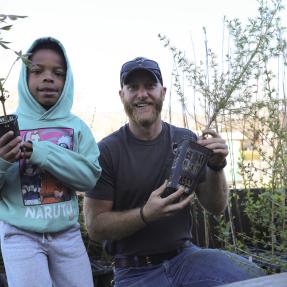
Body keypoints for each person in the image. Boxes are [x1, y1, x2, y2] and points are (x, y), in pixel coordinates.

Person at [84, 57, 265, 287]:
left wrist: (216, 166)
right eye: (133, 87)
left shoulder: (185, 140)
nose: (142, 94)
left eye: (150, 86)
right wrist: (145, 214)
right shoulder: (107, 151)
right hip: (135, 272)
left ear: (163, 92)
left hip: (187, 259)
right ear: (122, 95)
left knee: (256, 277)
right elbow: (95, 227)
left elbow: (216, 207)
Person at [0, 37, 101, 287]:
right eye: (37, 71)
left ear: (67, 81)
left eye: (58, 73)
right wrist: (2, 161)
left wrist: (41, 152)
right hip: (19, 233)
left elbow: (88, 178)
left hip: (67, 234)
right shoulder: (7, 127)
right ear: (25, 77)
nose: (48, 78)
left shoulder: (77, 128)